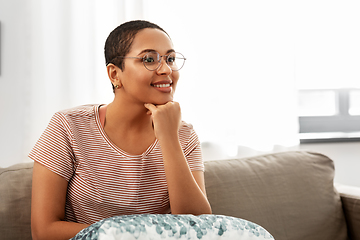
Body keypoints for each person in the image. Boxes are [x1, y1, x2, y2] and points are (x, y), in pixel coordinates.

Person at [29, 20, 212, 240]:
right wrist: (135, 235)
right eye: (149, 59)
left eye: (170, 59)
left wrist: (169, 139)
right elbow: (44, 230)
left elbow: (200, 227)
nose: (166, 70)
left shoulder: (183, 135)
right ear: (115, 74)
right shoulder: (68, 126)